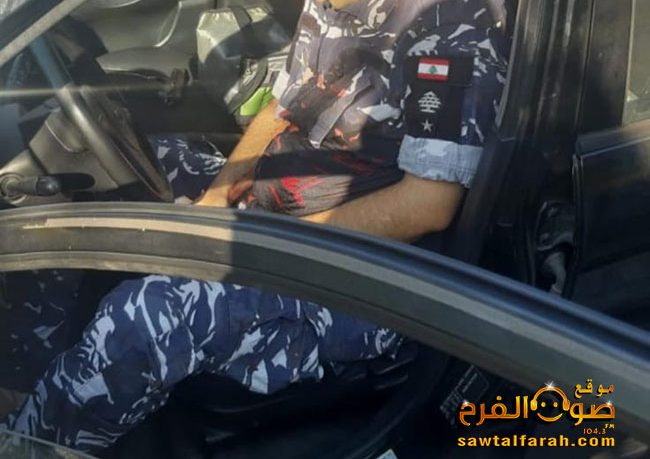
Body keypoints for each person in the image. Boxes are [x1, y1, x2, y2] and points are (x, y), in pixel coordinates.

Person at [0, 0, 509, 452]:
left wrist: (268, 243)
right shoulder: (330, 6)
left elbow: (428, 205)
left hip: (362, 276)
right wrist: (220, 193)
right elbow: (280, 108)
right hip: (282, 208)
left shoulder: (445, 24)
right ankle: (22, 383)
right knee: (91, 170)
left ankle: (36, 444)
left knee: (147, 315)